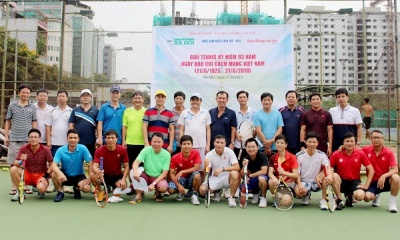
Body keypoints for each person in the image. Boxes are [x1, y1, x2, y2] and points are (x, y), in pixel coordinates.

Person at [5, 84, 37, 195]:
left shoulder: (32, 107)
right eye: (23, 92)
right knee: (13, 163)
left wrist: (34, 137)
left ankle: (26, 185)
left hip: (27, 140)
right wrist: (6, 136)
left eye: (27, 93)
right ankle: (14, 186)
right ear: (19, 93)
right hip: (14, 138)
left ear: (29, 94)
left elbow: (34, 122)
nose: (25, 94)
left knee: (27, 163)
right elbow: (8, 121)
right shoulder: (12, 105)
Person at [330, 132, 374, 209]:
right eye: (347, 141)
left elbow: (371, 170)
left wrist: (366, 185)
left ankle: (349, 196)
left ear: (355, 143)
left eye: (352, 141)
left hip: (354, 181)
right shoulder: (336, 154)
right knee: (334, 175)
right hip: (340, 181)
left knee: (360, 196)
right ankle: (339, 200)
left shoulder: (360, 153)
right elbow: (329, 168)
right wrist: (330, 177)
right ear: (343, 142)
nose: (349, 143)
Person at [9, 129, 53, 201]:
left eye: (35, 137)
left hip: (41, 175)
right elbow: (15, 163)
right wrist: (21, 161)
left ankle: (40, 190)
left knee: (41, 188)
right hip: (27, 174)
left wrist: (46, 177)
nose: (33, 139)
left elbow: (52, 165)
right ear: (28, 138)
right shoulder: (24, 148)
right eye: (31, 137)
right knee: (13, 169)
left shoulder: (46, 149)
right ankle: (21, 192)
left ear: (39, 138)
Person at [50, 129, 93, 202]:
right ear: (67, 139)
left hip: (79, 176)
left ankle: (76, 189)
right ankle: (60, 192)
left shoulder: (83, 148)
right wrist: (60, 173)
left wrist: (89, 177)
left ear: (78, 139)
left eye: (75, 138)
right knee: (54, 174)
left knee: (87, 189)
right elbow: (53, 165)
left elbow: (91, 162)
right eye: (70, 138)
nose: (73, 140)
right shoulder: (60, 150)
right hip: (65, 176)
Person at [362, 129, 399, 213]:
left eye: (378, 137)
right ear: (370, 139)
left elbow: (395, 169)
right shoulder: (365, 150)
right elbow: (354, 153)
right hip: (373, 182)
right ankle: (376, 195)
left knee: (396, 178)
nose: (376, 139)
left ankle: (392, 203)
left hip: (385, 181)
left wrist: (384, 176)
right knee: (367, 198)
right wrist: (341, 148)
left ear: (383, 139)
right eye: (374, 137)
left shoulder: (389, 152)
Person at [199, 135, 240, 208]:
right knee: (202, 190)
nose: (219, 144)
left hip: (228, 178)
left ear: (225, 144)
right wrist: (206, 166)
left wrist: (222, 169)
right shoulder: (209, 154)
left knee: (235, 173)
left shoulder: (230, 152)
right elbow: (206, 172)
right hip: (215, 178)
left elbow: (237, 167)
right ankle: (217, 191)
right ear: (214, 143)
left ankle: (231, 198)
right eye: (217, 142)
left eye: (221, 143)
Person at [130, 132, 171, 204]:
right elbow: (136, 163)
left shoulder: (167, 154)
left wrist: (153, 184)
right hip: (146, 176)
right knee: (133, 172)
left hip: (158, 177)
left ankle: (158, 193)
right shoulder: (146, 150)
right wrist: (136, 172)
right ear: (151, 142)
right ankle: (138, 194)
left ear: (163, 143)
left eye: (159, 142)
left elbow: (165, 173)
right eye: (154, 142)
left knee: (163, 188)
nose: (156, 144)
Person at [295, 132, 332, 210]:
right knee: (298, 192)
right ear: (305, 142)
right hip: (305, 181)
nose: (312, 144)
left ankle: (323, 200)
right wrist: (299, 185)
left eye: (314, 142)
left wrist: (327, 176)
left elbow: (327, 168)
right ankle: (306, 194)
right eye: (310, 142)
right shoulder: (299, 155)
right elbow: (297, 173)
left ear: (317, 143)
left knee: (326, 176)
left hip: (317, 182)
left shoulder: (322, 155)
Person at [90, 129, 129, 202]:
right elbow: (94, 166)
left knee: (123, 186)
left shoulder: (122, 150)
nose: (110, 140)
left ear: (117, 139)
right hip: (104, 175)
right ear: (105, 139)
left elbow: (127, 166)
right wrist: (98, 172)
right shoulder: (99, 150)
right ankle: (101, 191)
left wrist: (123, 180)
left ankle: (110, 189)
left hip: (117, 176)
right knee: (92, 176)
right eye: (108, 138)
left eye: (113, 138)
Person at [122, 90, 146, 194]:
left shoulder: (146, 111)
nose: (137, 100)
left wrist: (147, 142)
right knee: (131, 166)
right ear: (132, 100)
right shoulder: (127, 111)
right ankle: (133, 186)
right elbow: (124, 127)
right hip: (130, 143)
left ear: (143, 100)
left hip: (142, 144)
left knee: (142, 167)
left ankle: (141, 188)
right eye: (135, 98)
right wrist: (124, 141)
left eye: (139, 98)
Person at [167, 135, 202, 205]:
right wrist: (178, 185)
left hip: (191, 178)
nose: (186, 146)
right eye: (184, 144)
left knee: (197, 175)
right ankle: (180, 192)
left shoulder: (196, 153)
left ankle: (194, 194)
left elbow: (196, 167)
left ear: (192, 145)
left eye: (188, 144)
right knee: (170, 190)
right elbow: (171, 173)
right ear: (180, 145)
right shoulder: (174, 157)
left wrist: (182, 171)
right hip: (180, 179)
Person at [329, 88, 363, 152]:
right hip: (336, 144)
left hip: (350, 144)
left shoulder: (355, 111)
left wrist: (358, 143)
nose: (341, 98)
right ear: (336, 98)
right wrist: (330, 145)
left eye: (343, 96)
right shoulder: (331, 111)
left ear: (347, 97)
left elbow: (359, 128)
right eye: (339, 97)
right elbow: (330, 129)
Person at [268, 134, 299, 201]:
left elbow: (296, 175)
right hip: (277, 182)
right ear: (275, 144)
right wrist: (273, 178)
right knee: (271, 181)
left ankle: (285, 197)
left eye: (282, 143)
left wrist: (284, 172)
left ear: (286, 145)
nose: (279, 144)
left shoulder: (292, 157)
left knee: (286, 201)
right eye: (277, 143)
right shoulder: (272, 158)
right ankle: (277, 197)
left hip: (289, 183)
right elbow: (270, 173)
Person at [69, 89, 99, 157]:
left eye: (88, 96)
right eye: (83, 96)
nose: (85, 97)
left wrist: (98, 138)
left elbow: (98, 125)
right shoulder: (75, 110)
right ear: (80, 98)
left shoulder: (96, 110)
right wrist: (71, 137)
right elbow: (71, 124)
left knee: (90, 160)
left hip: (91, 141)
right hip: (77, 141)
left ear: (91, 98)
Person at [239, 138, 269, 208]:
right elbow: (242, 175)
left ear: (257, 147)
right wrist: (244, 166)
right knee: (242, 188)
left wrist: (250, 176)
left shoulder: (262, 155)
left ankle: (263, 197)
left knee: (261, 179)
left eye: (253, 147)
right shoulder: (245, 158)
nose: (251, 149)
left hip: (264, 179)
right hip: (253, 179)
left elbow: (264, 171)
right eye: (249, 147)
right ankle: (256, 193)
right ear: (246, 148)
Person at [46, 90, 72, 156]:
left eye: (63, 96)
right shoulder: (51, 111)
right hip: (54, 142)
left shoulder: (71, 111)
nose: (61, 98)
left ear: (67, 98)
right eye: (59, 96)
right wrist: (48, 141)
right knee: (54, 163)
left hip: (67, 143)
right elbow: (48, 126)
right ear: (57, 98)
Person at [279, 90, 305, 154]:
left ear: (297, 99)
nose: (291, 99)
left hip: (297, 144)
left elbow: (304, 128)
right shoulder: (280, 111)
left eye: (293, 97)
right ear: (286, 99)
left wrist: (303, 144)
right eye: (289, 97)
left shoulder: (301, 111)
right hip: (284, 144)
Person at [234, 90, 256, 162]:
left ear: (247, 98)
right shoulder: (234, 113)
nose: (242, 99)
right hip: (237, 144)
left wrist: (251, 136)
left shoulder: (254, 113)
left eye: (244, 97)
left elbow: (256, 128)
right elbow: (233, 127)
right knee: (239, 165)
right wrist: (236, 134)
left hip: (250, 146)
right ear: (237, 99)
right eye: (240, 97)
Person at [171, 91, 185, 155]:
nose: (178, 100)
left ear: (184, 100)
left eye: (180, 99)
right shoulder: (170, 113)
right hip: (174, 144)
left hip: (185, 143)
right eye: (176, 98)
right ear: (174, 100)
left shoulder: (187, 112)